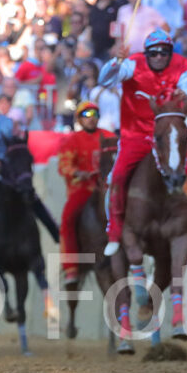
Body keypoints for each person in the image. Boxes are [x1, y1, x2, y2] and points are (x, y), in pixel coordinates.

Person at [97, 30, 187, 256]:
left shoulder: (182, 65)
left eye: (164, 52)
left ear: (170, 52)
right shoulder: (133, 64)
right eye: (153, 53)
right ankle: (115, 230)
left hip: (167, 137)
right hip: (135, 136)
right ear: (146, 53)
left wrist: (184, 92)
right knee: (117, 177)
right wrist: (116, 62)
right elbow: (104, 80)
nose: (158, 57)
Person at [0, 86, 60, 258]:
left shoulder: (6, 122)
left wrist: (13, 158)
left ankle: (55, 232)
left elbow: (16, 141)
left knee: (31, 196)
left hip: (9, 170)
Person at [57, 100, 115, 285]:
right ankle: (71, 267)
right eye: (87, 115)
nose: (92, 119)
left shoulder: (109, 136)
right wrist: (77, 173)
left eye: (95, 115)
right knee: (67, 220)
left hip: (108, 188)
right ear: (79, 119)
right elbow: (64, 165)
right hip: (83, 188)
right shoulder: (72, 139)